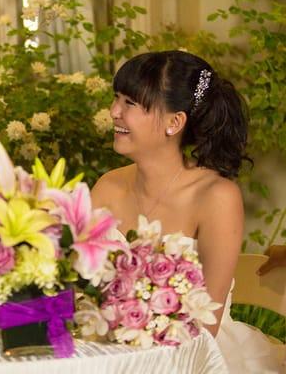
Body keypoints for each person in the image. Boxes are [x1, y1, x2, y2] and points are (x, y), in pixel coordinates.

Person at [91, 50, 285, 373]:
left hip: (192, 359)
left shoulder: (216, 197)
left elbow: (204, 326)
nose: (114, 112)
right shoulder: (108, 187)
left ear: (174, 122)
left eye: (130, 103)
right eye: (116, 99)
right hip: (110, 352)